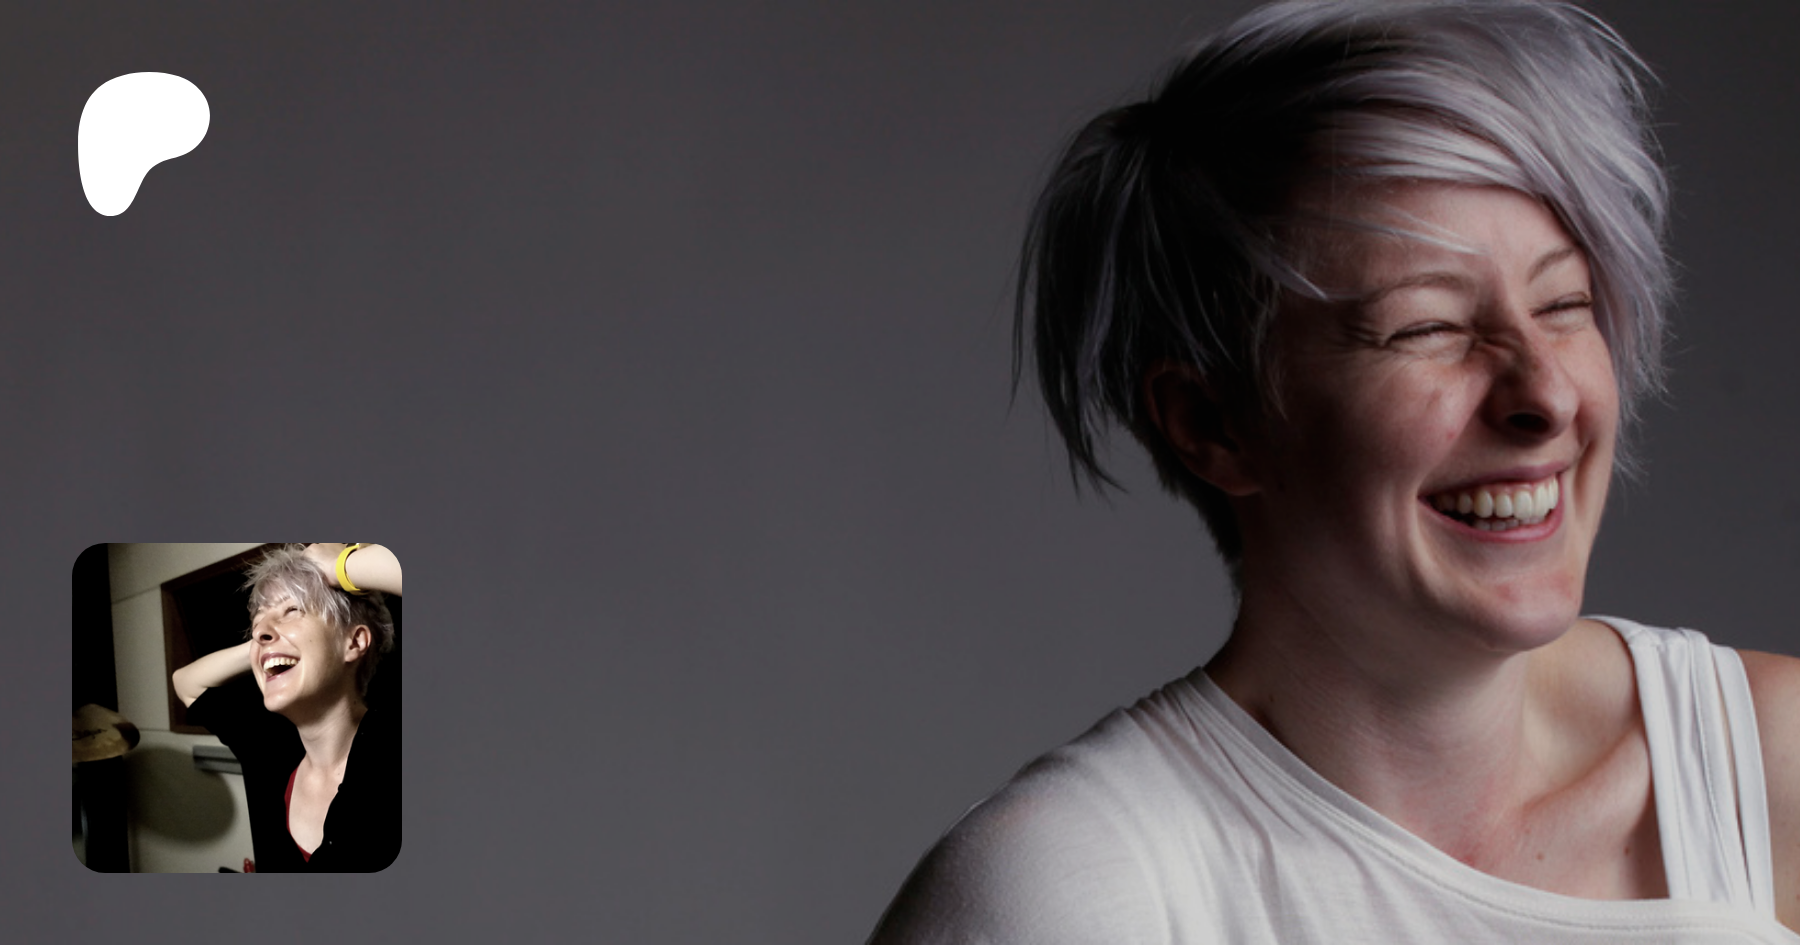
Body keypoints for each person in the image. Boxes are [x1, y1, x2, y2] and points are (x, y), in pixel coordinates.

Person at [869, 1, 1799, 941]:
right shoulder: (1064, 894)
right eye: (1428, 326)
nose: (1547, 394)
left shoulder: (1774, 766)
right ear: (1212, 424)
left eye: (1564, 302)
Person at [171, 542, 403, 872]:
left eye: (292, 610)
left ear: (353, 642)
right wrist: (264, 646)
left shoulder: (397, 752)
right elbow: (186, 682)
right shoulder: (269, 748)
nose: (259, 631)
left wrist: (339, 566)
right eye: (257, 621)